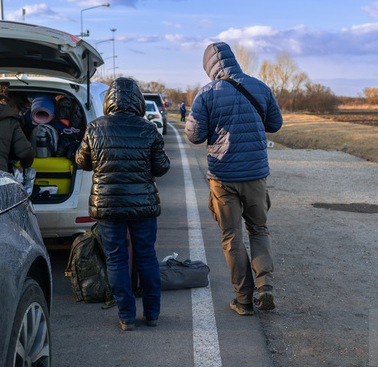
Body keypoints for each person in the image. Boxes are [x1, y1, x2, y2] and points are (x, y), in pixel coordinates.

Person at [185, 41, 283, 316]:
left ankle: (243, 299)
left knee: (232, 236)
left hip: (223, 176)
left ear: (209, 67)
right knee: (259, 230)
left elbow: (194, 136)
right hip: (255, 175)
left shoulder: (206, 94)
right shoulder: (260, 87)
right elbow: (275, 124)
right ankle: (266, 285)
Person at [76, 78, 170, 331]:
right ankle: (152, 314)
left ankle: (126, 316)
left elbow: (82, 162)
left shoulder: (95, 128)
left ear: (109, 101)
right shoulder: (148, 129)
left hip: (107, 205)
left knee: (116, 258)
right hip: (143, 205)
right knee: (146, 256)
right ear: (137, 101)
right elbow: (162, 168)